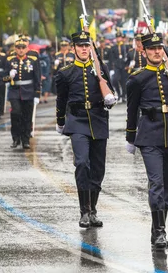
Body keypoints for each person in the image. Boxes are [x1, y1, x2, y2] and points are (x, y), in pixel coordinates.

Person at [125, 33, 168, 248]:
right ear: (144, 51)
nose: (157, 52)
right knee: (156, 183)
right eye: (152, 49)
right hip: (149, 136)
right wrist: (131, 137)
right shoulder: (137, 78)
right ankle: (159, 232)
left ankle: (158, 226)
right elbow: (132, 110)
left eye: (160, 48)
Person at [55, 31, 116, 228]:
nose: (84, 49)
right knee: (82, 163)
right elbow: (61, 99)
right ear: (73, 49)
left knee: (98, 168)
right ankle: (84, 211)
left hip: (98, 120)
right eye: (80, 46)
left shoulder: (100, 69)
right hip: (78, 121)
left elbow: (110, 93)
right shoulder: (66, 73)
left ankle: (93, 209)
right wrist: (60, 121)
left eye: (86, 45)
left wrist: (110, 100)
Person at [4, 39, 41, 149]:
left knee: (27, 116)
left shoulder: (33, 60)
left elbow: (37, 78)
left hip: (29, 91)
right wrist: (9, 76)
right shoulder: (10, 60)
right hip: (15, 91)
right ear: (15, 49)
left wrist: (37, 94)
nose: (20, 50)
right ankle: (16, 138)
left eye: (23, 48)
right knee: (15, 113)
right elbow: (3, 79)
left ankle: (25, 139)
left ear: (27, 49)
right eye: (18, 48)